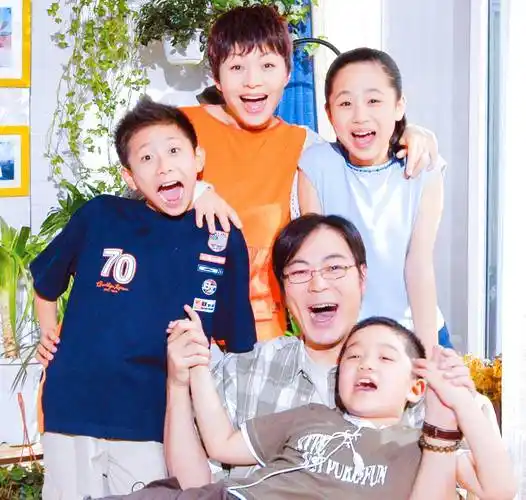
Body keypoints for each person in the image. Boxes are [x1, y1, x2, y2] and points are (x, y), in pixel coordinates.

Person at [30, 97, 256, 499]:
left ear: (198, 159)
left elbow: (235, 344)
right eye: (147, 158)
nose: (164, 166)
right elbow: (45, 285)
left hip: (153, 421)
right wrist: (48, 334)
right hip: (71, 409)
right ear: (130, 177)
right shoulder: (100, 216)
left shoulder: (222, 236)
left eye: (174, 151)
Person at [183, 5, 442, 342]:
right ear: (217, 78)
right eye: (236, 67)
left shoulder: (303, 145)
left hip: (265, 335)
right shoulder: (181, 128)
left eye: (267, 66)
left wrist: (412, 132)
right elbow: (141, 172)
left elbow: (359, 142)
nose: (252, 81)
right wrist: (198, 191)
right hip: (186, 326)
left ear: (287, 73)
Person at [163, 215, 474, 484]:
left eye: (334, 268)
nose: (318, 285)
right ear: (282, 289)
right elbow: (194, 486)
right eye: (299, 272)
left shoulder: (408, 376)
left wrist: (468, 406)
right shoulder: (243, 371)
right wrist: (177, 384)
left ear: (362, 277)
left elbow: (465, 482)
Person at [96, 317, 516, 500]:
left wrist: (460, 402)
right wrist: (199, 368)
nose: (366, 364)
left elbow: (499, 489)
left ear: (416, 387)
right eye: (353, 356)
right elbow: (221, 444)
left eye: (385, 358)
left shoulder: (425, 449)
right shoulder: (313, 416)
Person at [298, 47, 450, 356]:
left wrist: (427, 356)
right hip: (348, 341)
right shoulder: (316, 165)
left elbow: (418, 264)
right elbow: (319, 266)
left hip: (415, 332)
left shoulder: (423, 168)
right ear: (329, 113)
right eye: (345, 103)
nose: (360, 116)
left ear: (399, 106)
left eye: (374, 101)